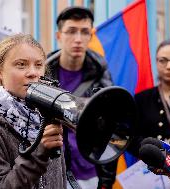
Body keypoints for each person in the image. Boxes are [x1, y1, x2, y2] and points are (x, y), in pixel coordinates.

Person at [0, 34, 66, 189]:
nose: (33, 73)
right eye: (21, 65)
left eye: (39, 65)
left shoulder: (44, 114)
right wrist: (39, 153)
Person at [46, 6, 115, 189]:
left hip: (90, 173)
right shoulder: (42, 74)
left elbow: (109, 130)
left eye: (84, 32)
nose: (78, 39)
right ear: (59, 36)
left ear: (91, 36)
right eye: (71, 31)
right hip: (51, 170)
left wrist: (107, 182)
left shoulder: (102, 75)